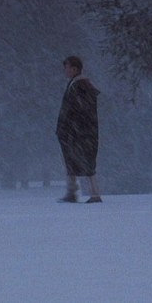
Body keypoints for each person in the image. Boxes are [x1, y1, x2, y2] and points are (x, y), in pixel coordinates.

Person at [56, 55, 102, 203]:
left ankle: (94, 194)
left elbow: (79, 110)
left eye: (67, 67)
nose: (65, 70)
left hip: (80, 132)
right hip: (76, 131)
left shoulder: (81, 86)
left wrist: (72, 126)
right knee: (72, 160)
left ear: (75, 69)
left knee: (85, 161)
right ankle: (72, 192)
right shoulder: (76, 85)